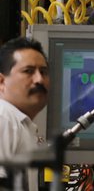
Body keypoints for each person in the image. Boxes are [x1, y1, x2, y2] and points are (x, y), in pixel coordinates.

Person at [0, 37, 50, 191]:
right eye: (28, 71)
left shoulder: (19, 122)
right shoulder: (4, 118)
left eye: (43, 72)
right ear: (2, 82)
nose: (39, 79)